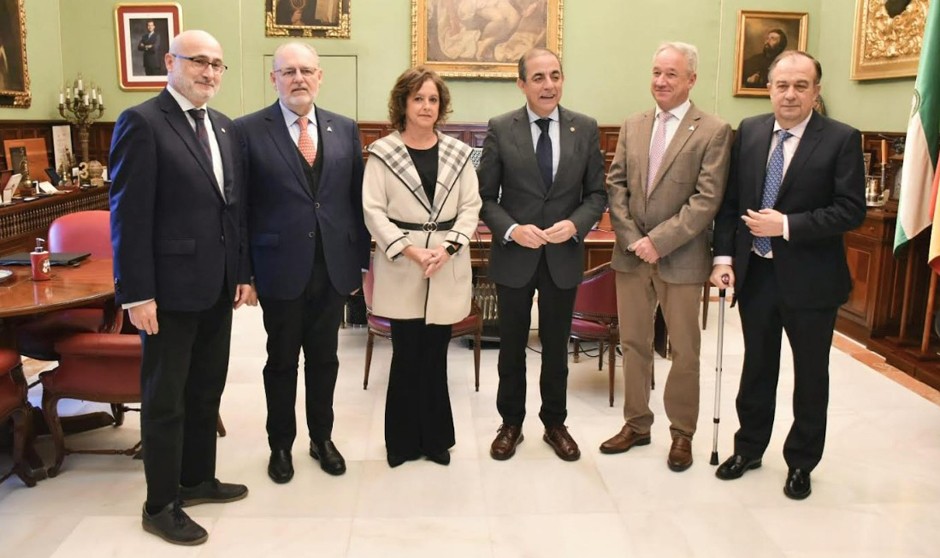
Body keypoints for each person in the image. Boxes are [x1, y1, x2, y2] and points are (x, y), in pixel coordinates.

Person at [109, 30, 253, 545]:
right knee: (166, 399)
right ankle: (160, 503)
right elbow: (128, 216)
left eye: (217, 64)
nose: (209, 72)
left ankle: (197, 479)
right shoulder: (142, 122)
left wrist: (241, 272)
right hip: (166, 293)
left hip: (216, 287)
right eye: (199, 62)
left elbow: (231, 209)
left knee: (205, 389)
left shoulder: (223, 127)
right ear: (170, 62)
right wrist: (137, 293)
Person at [711, 51, 866, 499]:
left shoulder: (840, 139)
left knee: (810, 376)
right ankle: (749, 448)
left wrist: (788, 226)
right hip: (757, 274)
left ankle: (801, 462)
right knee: (757, 367)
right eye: (782, 85)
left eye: (801, 85)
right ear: (770, 89)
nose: (790, 94)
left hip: (813, 281)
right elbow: (731, 202)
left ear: (816, 91)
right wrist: (724, 259)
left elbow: (850, 210)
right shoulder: (752, 132)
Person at [234, 42, 369, 483]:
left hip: (331, 267)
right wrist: (245, 273)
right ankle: (280, 445)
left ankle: (322, 438)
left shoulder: (344, 129)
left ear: (320, 76)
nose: (298, 78)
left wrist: (358, 264)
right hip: (278, 268)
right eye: (288, 71)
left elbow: (355, 201)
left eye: (306, 70)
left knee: (325, 360)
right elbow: (240, 209)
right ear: (273, 78)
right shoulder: (248, 130)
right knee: (281, 362)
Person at [600, 42, 732, 472]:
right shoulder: (633, 124)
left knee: (684, 350)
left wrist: (659, 240)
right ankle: (636, 424)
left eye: (671, 74)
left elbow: (706, 200)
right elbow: (616, 186)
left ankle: (682, 434)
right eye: (656, 71)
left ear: (691, 79)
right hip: (631, 256)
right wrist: (632, 236)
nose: (661, 81)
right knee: (633, 344)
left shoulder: (713, 130)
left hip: (682, 258)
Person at [478, 47, 607, 462]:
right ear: (522, 84)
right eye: (538, 77)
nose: (548, 84)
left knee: (555, 348)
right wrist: (513, 230)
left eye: (555, 75)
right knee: (511, 347)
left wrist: (575, 224)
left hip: (562, 257)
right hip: (515, 257)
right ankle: (510, 424)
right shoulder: (501, 128)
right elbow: (484, 197)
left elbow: (597, 194)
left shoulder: (584, 129)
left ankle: (555, 423)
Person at [363, 67, 481, 468]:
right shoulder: (383, 152)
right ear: (403, 104)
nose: (426, 106)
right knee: (405, 356)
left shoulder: (458, 152)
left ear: (441, 106)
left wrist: (447, 248)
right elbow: (373, 211)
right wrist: (410, 250)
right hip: (403, 265)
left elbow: (470, 207)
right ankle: (400, 443)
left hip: (445, 264)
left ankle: (435, 440)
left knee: (435, 357)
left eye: (433, 99)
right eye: (418, 99)